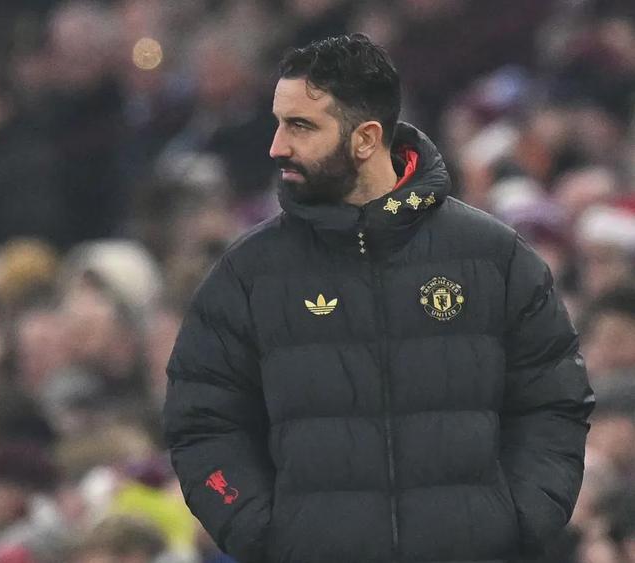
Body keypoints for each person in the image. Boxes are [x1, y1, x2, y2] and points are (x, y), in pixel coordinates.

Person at [163, 34, 595, 563]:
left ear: (366, 138)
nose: (276, 145)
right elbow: (202, 423)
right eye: (279, 122)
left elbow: (554, 404)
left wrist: (517, 523)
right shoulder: (247, 275)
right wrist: (263, 532)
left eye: (300, 126)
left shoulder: (494, 258)